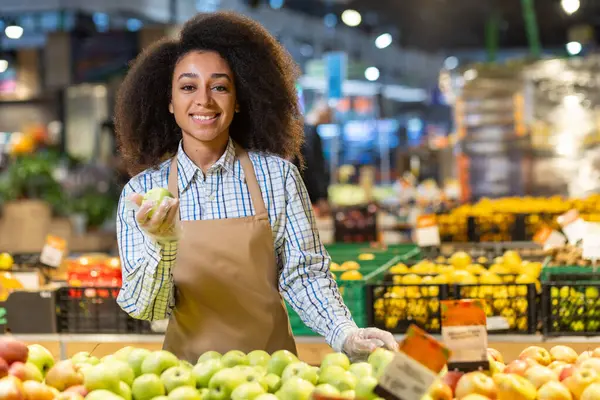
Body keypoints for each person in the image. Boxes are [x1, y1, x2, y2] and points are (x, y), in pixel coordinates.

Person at [114, 11, 397, 363]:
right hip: (186, 380)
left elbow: (303, 274)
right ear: (169, 102)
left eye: (219, 86)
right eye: (188, 87)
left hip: (273, 376)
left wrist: (346, 333)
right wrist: (162, 244)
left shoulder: (277, 177)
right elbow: (145, 309)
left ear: (238, 99)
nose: (204, 100)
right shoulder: (141, 193)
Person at [300, 100, 332, 217]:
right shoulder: (311, 133)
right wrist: (320, 196)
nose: (329, 120)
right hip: (311, 195)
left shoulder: (304, 130)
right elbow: (313, 167)